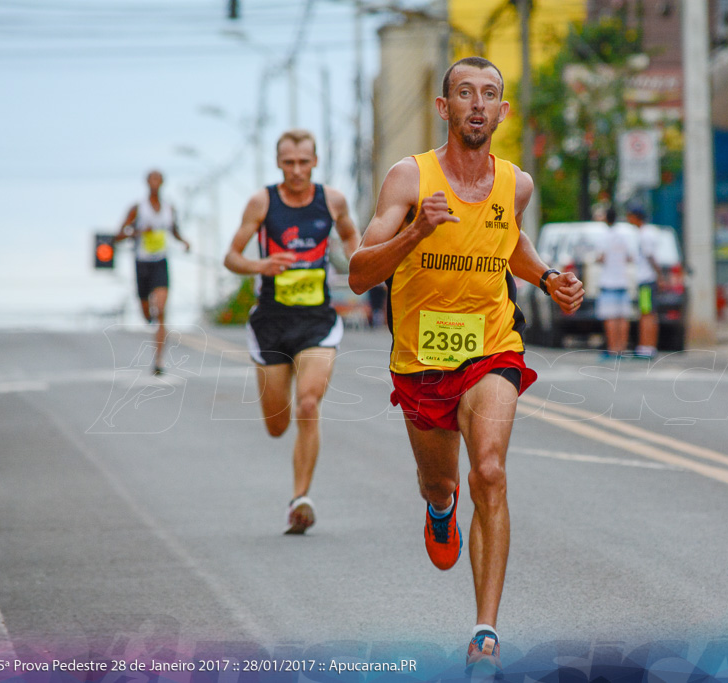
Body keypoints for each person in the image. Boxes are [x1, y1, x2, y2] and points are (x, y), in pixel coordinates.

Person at [347, 56, 583, 674]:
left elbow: (512, 243)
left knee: (490, 470)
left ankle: (485, 630)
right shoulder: (408, 179)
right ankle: (439, 507)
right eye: (463, 93)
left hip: (492, 348)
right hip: (421, 361)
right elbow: (359, 271)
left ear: (503, 112)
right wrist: (415, 233)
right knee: (442, 480)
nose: (476, 105)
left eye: (489, 95)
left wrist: (549, 277)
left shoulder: (517, 184)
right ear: (443, 107)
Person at [224, 129, 360, 535]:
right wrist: (260, 266)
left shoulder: (332, 200)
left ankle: (300, 498)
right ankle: (297, 489)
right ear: (278, 163)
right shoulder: (262, 202)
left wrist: (359, 260)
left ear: (315, 161)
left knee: (308, 404)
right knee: (277, 426)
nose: (297, 170)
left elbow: (352, 235)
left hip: (316, 321)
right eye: (289, 162)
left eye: (304, 162)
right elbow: (231, 256)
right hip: (271, 323)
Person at [113, 170, 191, 375]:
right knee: (147, 312)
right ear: (147, 182)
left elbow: (175, 231)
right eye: (152, 179)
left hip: (160, 263)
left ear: (163, 182)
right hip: (142, 264)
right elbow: (118, 235)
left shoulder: (169, 209)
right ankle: (147, 313)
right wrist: (138, 232)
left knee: (162, 310)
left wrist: (184, 242)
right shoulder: (138, 208)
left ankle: (159, 361)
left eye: (159, 179)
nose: (155, 183)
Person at [595, 207, 635, 357]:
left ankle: (612, 349)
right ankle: (622, 348)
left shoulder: (604, 236)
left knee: (610, 317)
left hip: (608, 281)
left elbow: (601, 257)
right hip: (622, 281)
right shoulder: (624, 236)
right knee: (623, 317)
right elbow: (630, 257)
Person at [626, 204, 664, 359]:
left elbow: (650, 257)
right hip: (647, 279)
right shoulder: (647, 233)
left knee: (646, 314)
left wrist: (660, 276)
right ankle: (648, 346)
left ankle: (646, 347)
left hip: (646, 280)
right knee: (648, 313)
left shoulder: (645, 234)